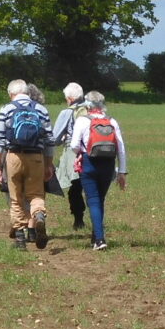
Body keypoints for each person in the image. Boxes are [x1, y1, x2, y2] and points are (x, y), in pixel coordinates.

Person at [0, 79, 56, 250]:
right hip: (36, 157)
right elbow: (50, 140)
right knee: (36, 194)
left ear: (11, 94)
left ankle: (20, 239)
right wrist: (49, 165)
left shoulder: (6, 109)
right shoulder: (41, 109)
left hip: (14, 157)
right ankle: (39, 216)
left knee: (16, 198)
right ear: (27, 92)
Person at [70, 90, 127, 251]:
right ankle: (96, 235)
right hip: (108, 164)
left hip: (88, 163)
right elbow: (121, 148)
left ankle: (99, 239)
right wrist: (122, 171)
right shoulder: (112, 121)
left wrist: (80, 153)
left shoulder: (82, 120)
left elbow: (74, 145)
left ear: (87, 105)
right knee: (99, 199)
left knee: (93, 200)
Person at [53, 82, 89, 231]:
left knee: (75, 187)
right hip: (93, 151)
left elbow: (54, 138)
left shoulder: (67, 112)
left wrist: (62, 139)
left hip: (73, 153)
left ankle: (78, 219)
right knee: (91, 187)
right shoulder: (92, 109)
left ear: (70, 98)